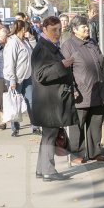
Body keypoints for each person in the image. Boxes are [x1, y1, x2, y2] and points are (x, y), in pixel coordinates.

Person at [30, 16, 78, 182]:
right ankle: (48, 171)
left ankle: (41, 170)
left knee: (48, 136)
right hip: (48, 102)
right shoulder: (43, 48)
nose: (58, 33)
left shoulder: (49, 46)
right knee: (49, 135)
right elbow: (41, 75)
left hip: (50, 100)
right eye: (54, 30)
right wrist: (62, 65)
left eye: (59, 29)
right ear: (44, 30)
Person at [61, 16, 104, 164]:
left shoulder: (92, 43)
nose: (87, 28)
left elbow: (100, 62)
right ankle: (76, 154)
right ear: (74, 30)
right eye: (83, 27)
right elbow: (66, 71)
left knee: (95, 122)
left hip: (97, 90)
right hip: (80, 92)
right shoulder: (68, 45)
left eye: (87, 26)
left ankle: (95, 151)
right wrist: (73, 89)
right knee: (78, 125)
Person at [3, 20, 39, 137]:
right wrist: (12, 80)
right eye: (26, 29)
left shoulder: (25, 41)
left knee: (31, 101)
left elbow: (35, 52)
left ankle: (35, 126)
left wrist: (32, 39)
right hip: (16, 78)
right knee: (15, 103)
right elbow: (10, 63)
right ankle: (15, 128)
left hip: (27, 76)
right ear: (23, 29)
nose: (27, 31)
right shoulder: (13, 42)